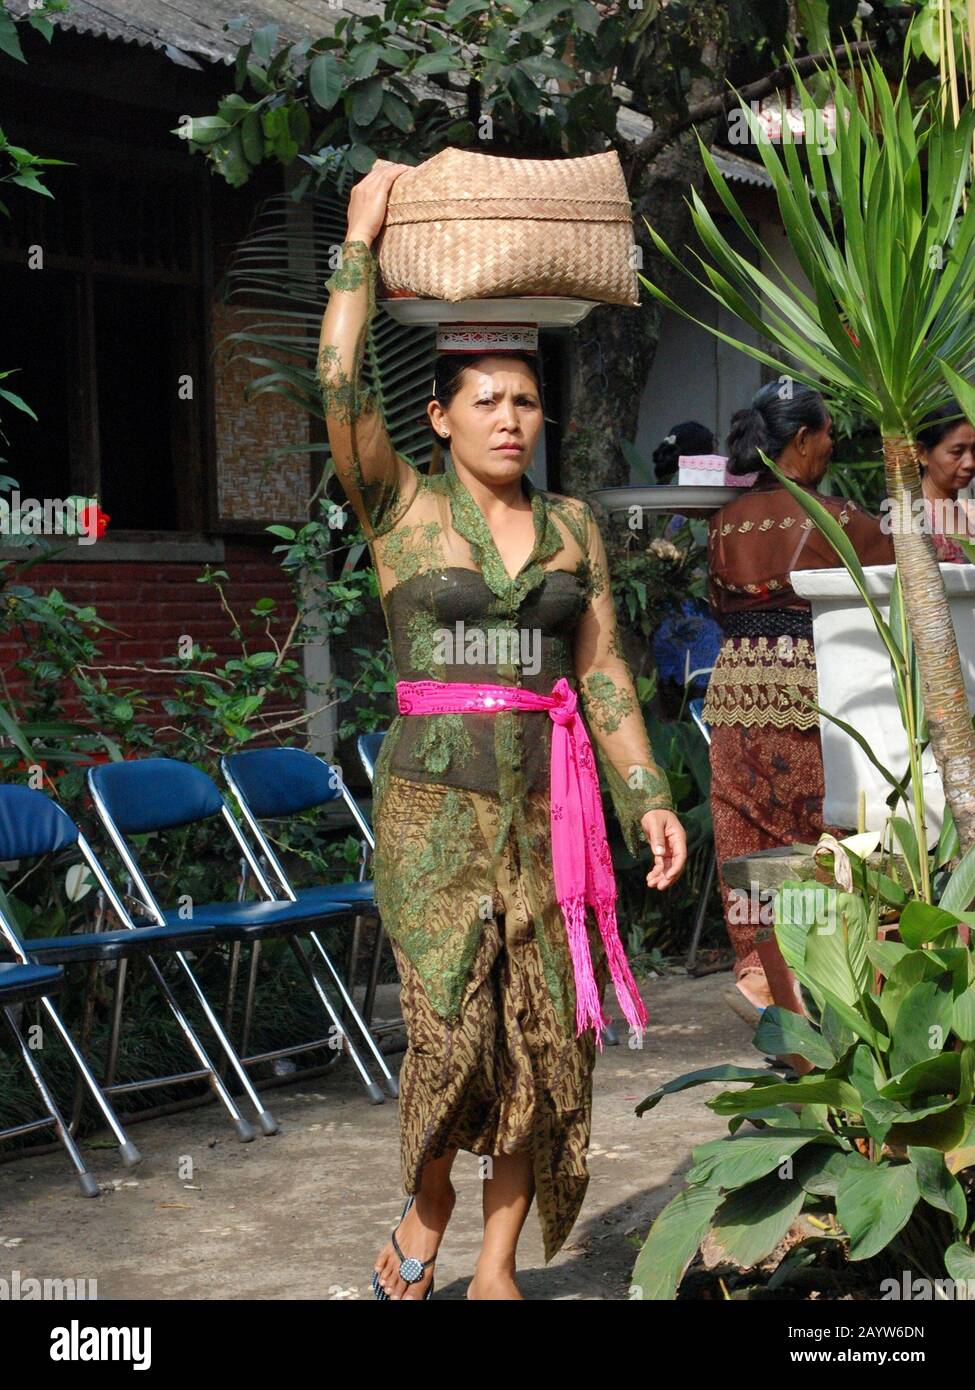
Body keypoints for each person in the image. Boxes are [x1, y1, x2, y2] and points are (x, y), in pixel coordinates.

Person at [317, 160, 687, 1301]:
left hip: (548, 816)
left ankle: (492, 1267)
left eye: (525, 398)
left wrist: (649, 793)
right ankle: (426, 1208)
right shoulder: (400, 508)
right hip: (433, 818)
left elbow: (603, 665)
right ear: (438, 415)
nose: (512, 417)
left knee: (542, 1046)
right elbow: (338, 388)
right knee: (452, 1041)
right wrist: (359, 245)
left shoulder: (574, 526)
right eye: (486, 398)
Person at [702, 381, 894, 1017]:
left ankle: (759, 973)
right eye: (828, 433)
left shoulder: (722, 522)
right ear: (803, 439)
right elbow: (911, 576)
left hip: (733, 698)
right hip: (809, 694)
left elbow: (717, 605)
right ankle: (826, 979)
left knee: (747, 837)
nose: (834, 444)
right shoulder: (841, 521)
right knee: (822, 833)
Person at [915, 403, 975, 562]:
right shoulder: (911, 520)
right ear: (922, 453)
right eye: (957, 452)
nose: (970, 463)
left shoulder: (970, 514)